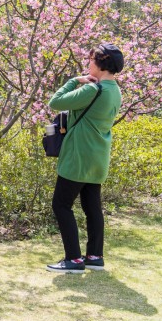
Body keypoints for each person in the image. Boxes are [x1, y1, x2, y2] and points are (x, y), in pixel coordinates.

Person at [46, 44, 124, 274]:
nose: (88, 64)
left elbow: (56, 102)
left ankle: (74, 259)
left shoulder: (93, 90)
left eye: (91, 60)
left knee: (61, 205)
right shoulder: (114, 90)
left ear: (99, 63)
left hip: (79, 155)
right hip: (98, 156)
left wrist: (74, 80)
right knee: (92, 207)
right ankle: (94, 256)